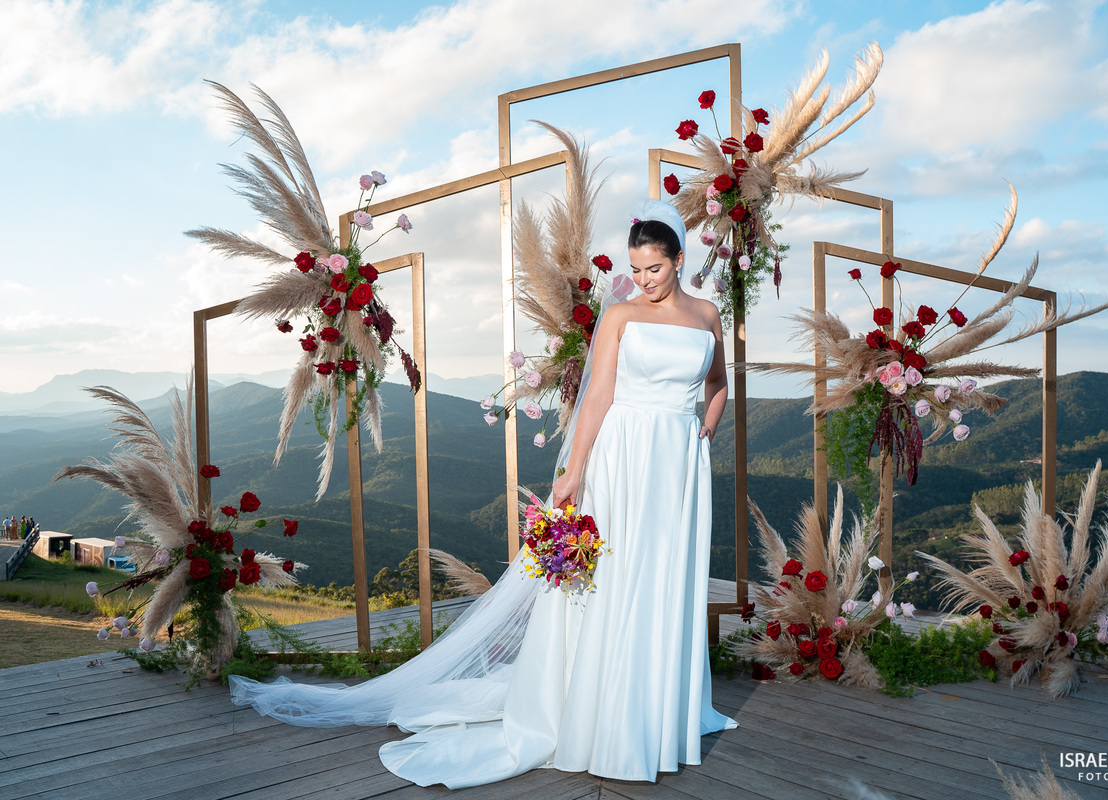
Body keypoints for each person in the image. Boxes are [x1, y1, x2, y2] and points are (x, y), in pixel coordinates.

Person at [230, 199, 736, 787]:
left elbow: (719, 382)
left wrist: (706, 425)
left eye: (656, 268)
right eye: (637, 269)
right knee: (616, 574)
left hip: (678, 462)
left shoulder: (707, 314)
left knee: (664, 574)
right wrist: (573, 471)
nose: (645, 280)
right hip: (623, 455)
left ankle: (662, 705)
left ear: (679, 258)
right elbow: (597, 396)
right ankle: (609, 708)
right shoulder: (620, 315)